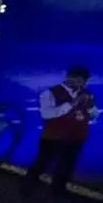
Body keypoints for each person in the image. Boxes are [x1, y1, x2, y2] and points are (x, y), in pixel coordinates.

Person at [26, 65, 96, 196]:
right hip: (53, 137)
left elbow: (93, 115)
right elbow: (47, 114)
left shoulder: (87, 94)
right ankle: (27, 188)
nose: (80, 84)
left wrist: (92, 110)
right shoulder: (49, 93)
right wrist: (72, 103)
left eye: (83, 82)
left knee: (66, 167)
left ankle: (57, 192)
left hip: (76, 138)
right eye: (77, 80)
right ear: (69, 77)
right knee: (43, 163)